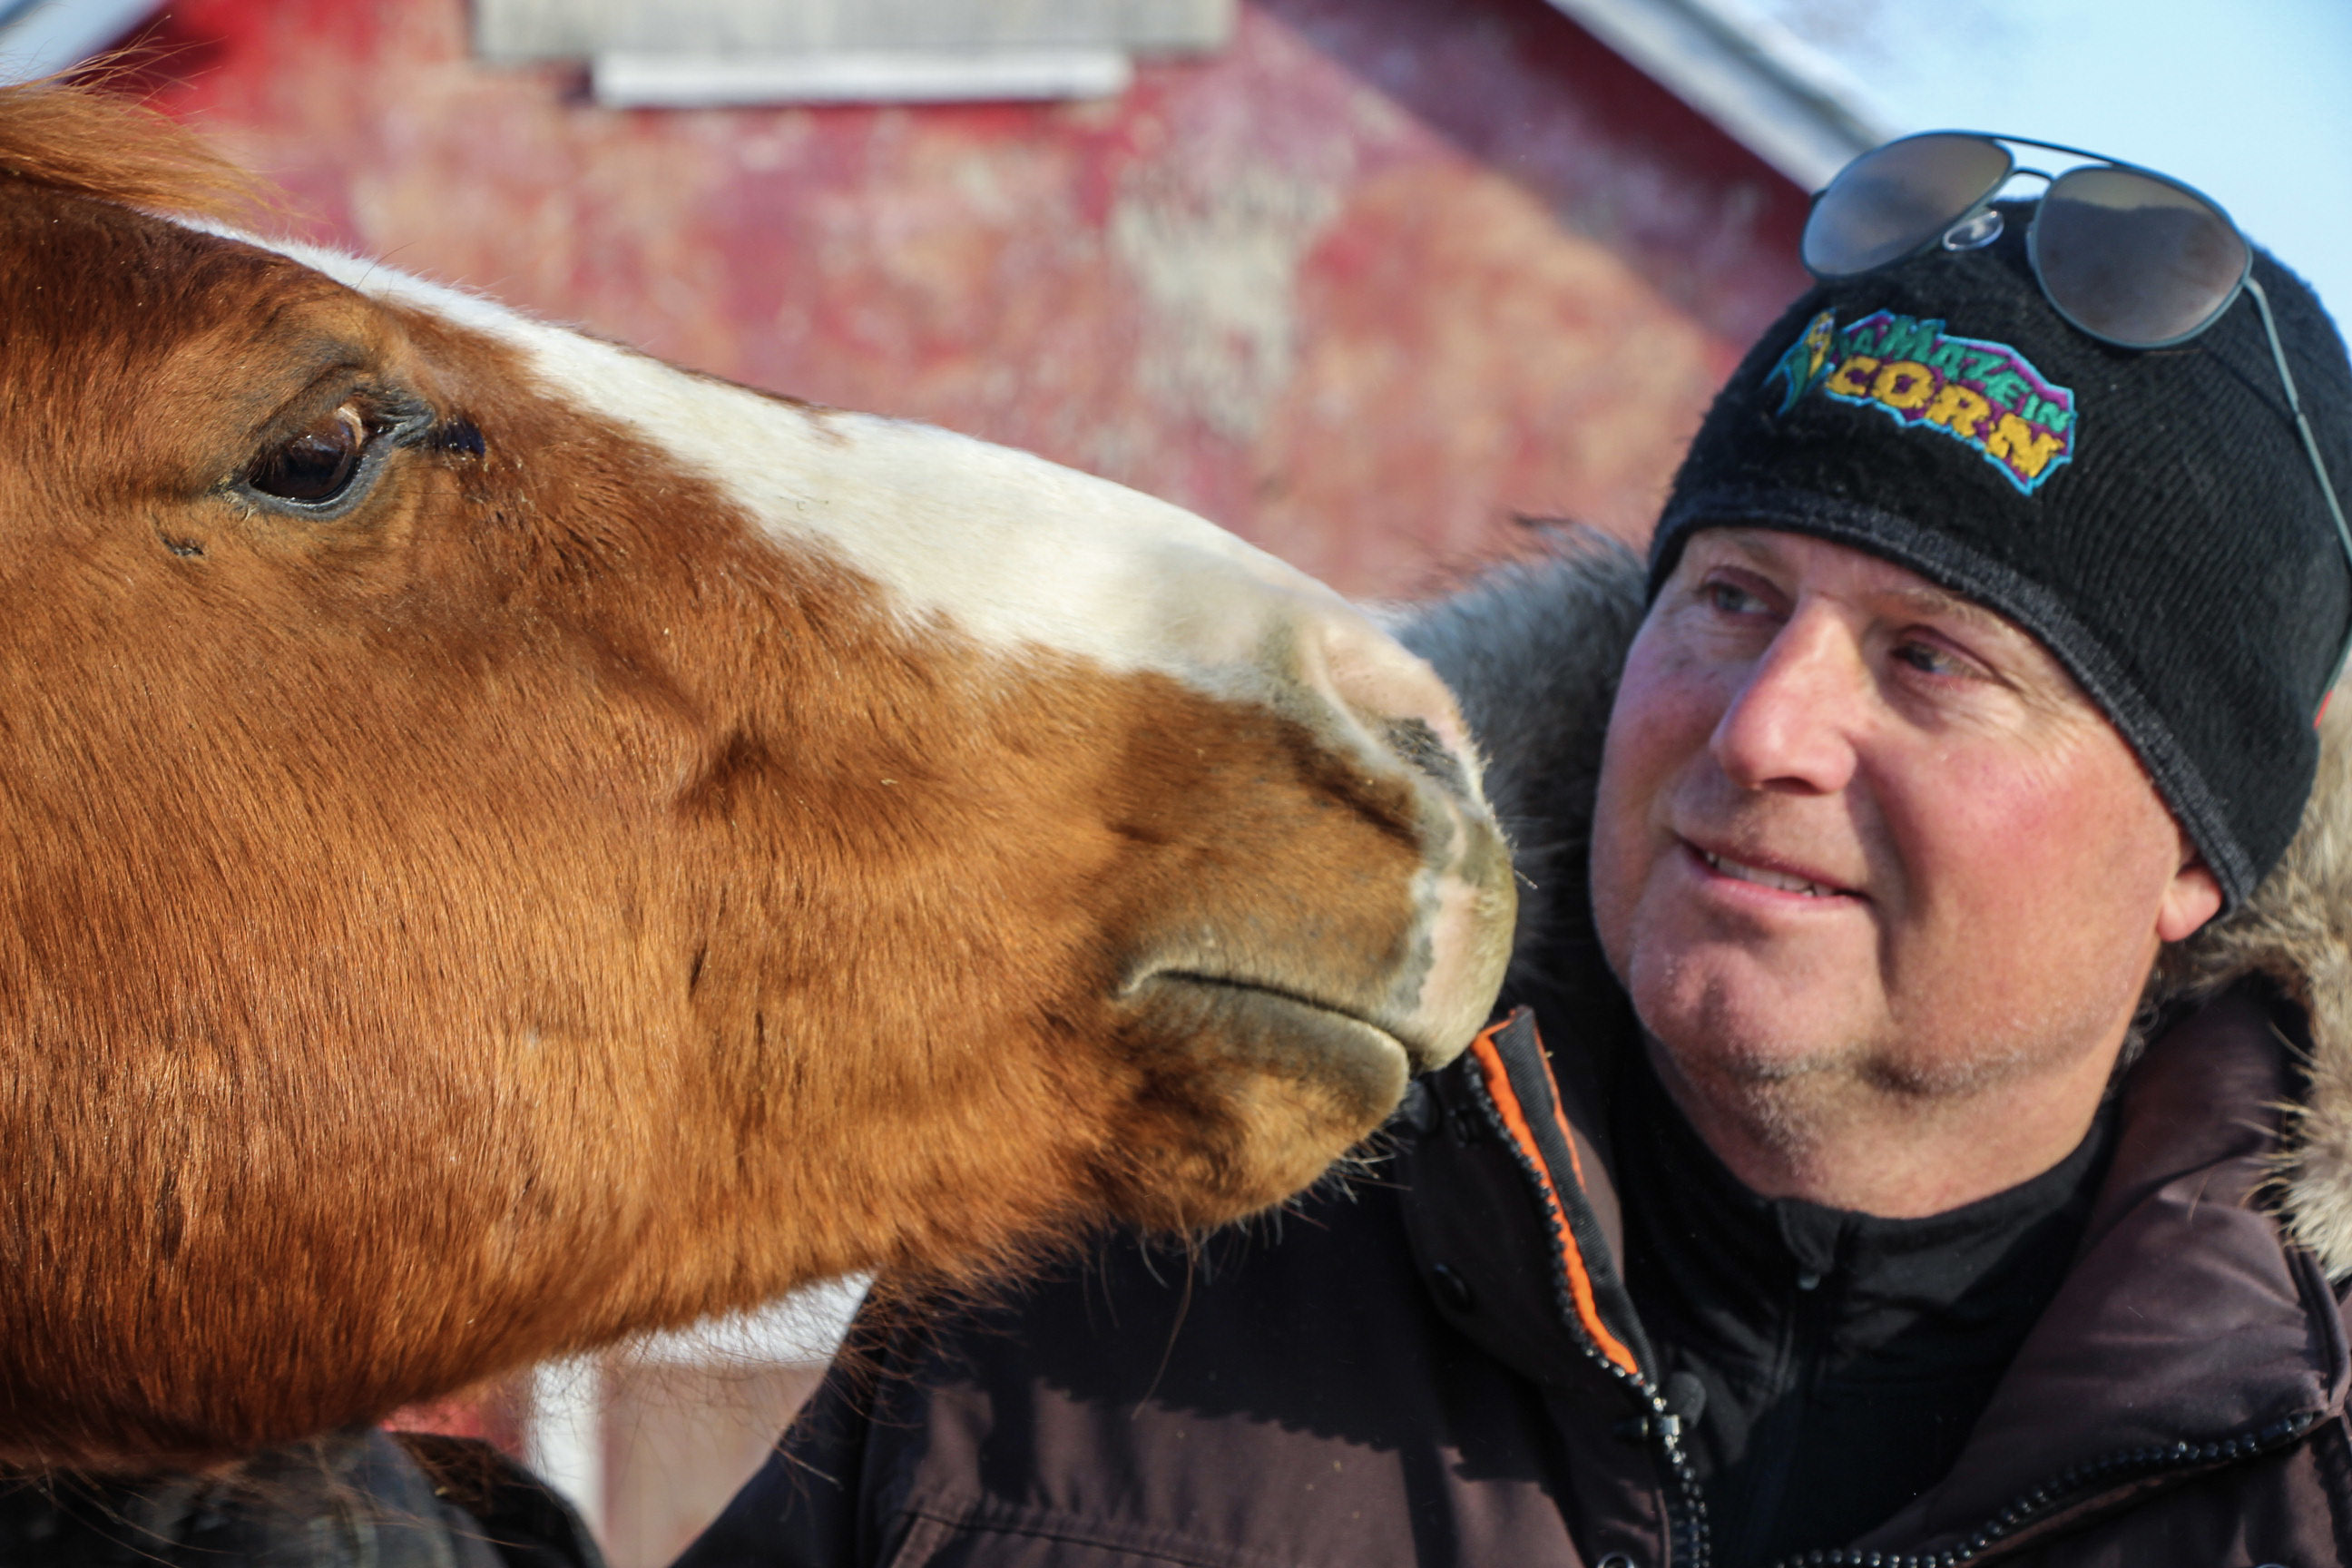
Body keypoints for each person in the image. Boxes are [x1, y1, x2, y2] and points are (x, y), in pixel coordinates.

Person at [676, 134, 2352, 1568]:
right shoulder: (1136, 1256)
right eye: (1731, 600)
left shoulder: (2306, 1470)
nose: (1763, 729)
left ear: (2195, 849)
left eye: (1933, 661)